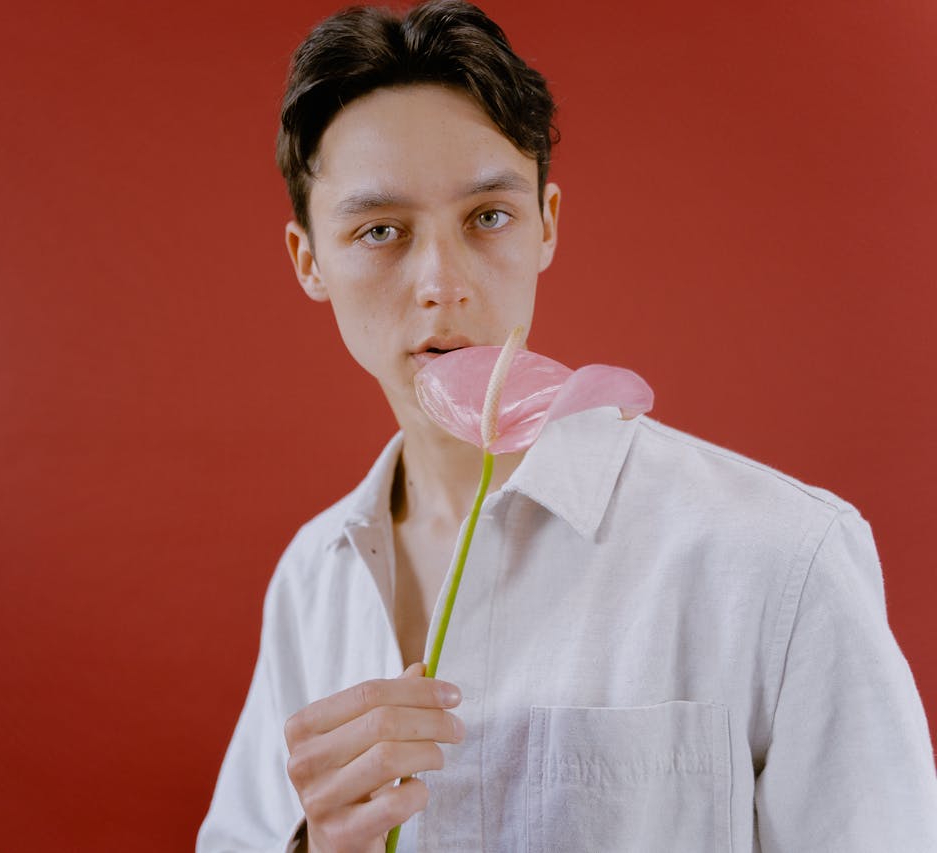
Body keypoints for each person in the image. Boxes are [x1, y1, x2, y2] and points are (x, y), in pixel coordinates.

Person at [197, 2, 937, 850]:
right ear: (309, 261)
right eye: (380, 232)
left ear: (547, 223)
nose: (442, 282)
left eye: (488, 217)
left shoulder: (782, 560)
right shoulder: (313, 577)